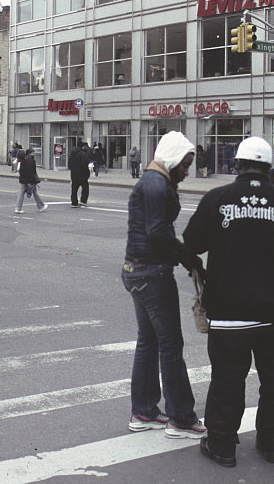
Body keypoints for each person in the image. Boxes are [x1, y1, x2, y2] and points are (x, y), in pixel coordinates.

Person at [183, 137, 274, 468]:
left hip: (229, 313)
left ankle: (222, 446)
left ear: (238, 164)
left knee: (227, 380)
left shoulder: (218, 198)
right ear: (269, 167)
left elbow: (190, 244)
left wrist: (200, 265)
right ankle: (272, 444)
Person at [121, 131, 206, 440]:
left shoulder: (151, 181)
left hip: (136, 270)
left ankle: (143, 411)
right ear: (172, 159)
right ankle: (181, 418)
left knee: (150, 341)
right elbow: (158, 230)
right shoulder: (157, 184)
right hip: (153, 274)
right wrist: (188, 258)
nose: (187, 171)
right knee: (170, 345)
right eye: (185, 164)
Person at [15, 148, 47, 213]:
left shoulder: (24, 159)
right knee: (34, 192)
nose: (34, 154)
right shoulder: (30, 160)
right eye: (33, 152)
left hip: (23, 179)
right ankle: (41, 206)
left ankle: (18, 208)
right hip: (29, 179)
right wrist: (32, 181)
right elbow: (31, 171)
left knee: (22, 193)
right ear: (30, 153)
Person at [69, 142, 91, 207]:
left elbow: (69, 164)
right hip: (82, 175)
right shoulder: (82, 154)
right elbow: (84, 164)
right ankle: (83, 201)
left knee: (74, 189)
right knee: (85, 188)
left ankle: (74, 202)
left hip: (74, 174)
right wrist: (87, 172)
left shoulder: (72, 154)